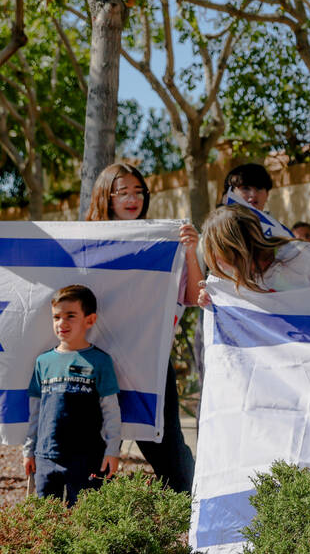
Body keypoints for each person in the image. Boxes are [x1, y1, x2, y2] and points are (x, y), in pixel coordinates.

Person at [83, 162, 201, 494]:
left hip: (149, 361)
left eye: (139, 192)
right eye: (123, 192)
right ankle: (94, 524)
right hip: (95, 365)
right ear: (106, 196)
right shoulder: (86, 244)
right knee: (94, 448)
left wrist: (190, 252)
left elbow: (194, 296)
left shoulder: (162, 244)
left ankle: (187, 510)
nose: (133, 199)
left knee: (166, 447)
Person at [23, 285, 121, 505]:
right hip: (46, 457)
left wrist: (113, 450)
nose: (61, 323)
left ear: (90, 320)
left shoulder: (101, 361)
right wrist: (29, 451)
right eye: (56, 317)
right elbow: (35, 412)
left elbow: (111, 411)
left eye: (70, 316)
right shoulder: (43, 362)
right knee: (46, 523)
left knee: (87, 522)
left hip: (88, 459)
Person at [199, 205, 310, 293]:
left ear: (239, 251)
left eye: (220, 258)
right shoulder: (233, 276)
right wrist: (214, 302)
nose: (220, 265)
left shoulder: (307, 258)